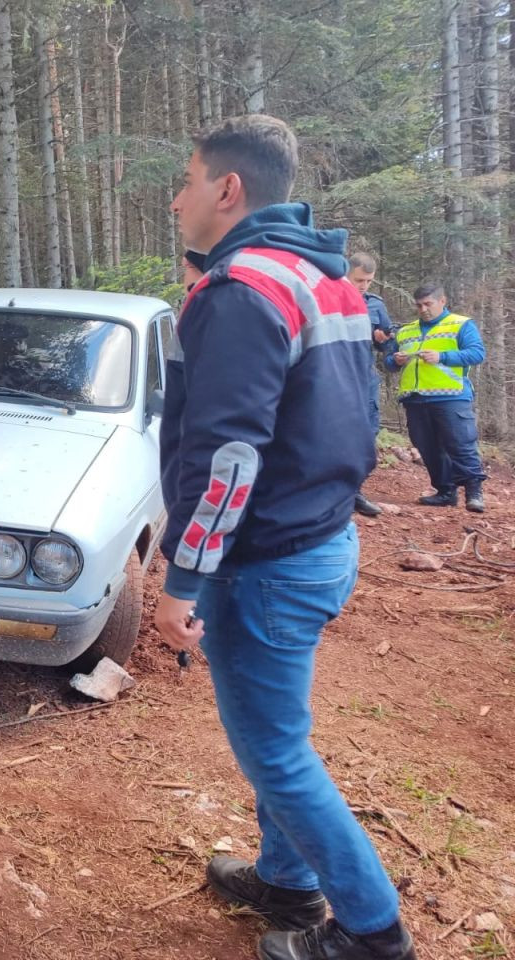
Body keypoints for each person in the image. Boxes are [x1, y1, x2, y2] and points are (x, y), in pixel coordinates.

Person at [160, 115, 416, 960]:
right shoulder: (320, 277)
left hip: (266, 562)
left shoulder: (243, 290)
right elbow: (349, 417)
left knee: (275, 751)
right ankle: (286, 880)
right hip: (318, 540)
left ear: (228, 189)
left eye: (188, 180)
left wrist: (182, 580)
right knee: (279, 735)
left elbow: (227, 459)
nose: (176, 198)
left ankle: (373, 933)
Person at [386, 282, 487, 512]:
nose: (423, 309)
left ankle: (474, 493)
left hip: (451, 396)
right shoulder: (407, 330)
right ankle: (445, 491)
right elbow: (389, 363)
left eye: (428, 304)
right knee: (427, 446)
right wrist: (396, 360)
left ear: (442, 301)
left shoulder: (461, 324)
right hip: (415, 397)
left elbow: (477, 353)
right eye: (419, 305)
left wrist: (442, 356)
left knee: (461, 444)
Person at [347, 252, 394, 517]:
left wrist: (384, 339)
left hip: (365, 375)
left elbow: (386, 342)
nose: (364, 286)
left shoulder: (375, 305)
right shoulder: (328, 296)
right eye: (359, 279)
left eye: (368, 281)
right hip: (336, 374)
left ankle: (354, 491)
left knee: (367, 433)